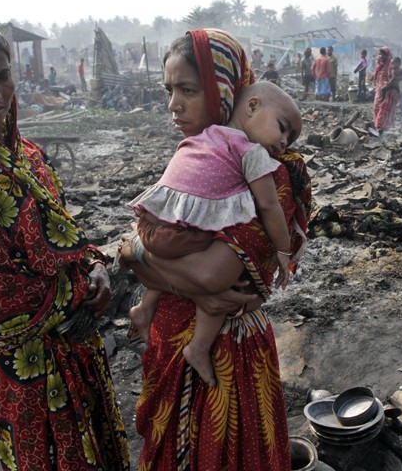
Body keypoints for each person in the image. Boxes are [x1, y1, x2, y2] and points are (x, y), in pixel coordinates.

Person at [0, 20, 130, 470]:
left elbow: (62, 234)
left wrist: (94, 265)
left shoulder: (18, 150)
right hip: (30, 356)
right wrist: (84, 291)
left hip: (66, 339)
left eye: (2, 75)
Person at [119, 28, 310, 470]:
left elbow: (208, 275)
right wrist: (142, 255)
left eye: (189, 90)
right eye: (169, 90)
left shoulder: (269, 176)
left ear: (228, 92)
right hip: (172, 333)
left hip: (223, 352)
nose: (174, 105)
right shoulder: (200, 156)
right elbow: (143, 249)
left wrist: (140, 256)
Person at [125, 80, 301, 386]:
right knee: (201, 243)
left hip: (152, 230)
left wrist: (139, 249)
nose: (285, 142)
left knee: (188, 243)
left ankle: (145, 307)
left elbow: (134, 256)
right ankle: (199, 348)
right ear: (252, 105)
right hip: (204, 345)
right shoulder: (250, 154)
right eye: (283, 128)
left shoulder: (207, 141)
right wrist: (284, 251)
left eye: (190, 90)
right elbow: (212, 285)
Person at [373, 48, 402, 133]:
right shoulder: (380, 67)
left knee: (384, 111)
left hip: (390, 92)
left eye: (382, 54)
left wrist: (395, 80)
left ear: (387, 56)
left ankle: (382, 129)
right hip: (380, 93)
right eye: (379, 54)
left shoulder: (391, 67)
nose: (380, 56)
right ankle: (380, 128)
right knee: (377, 110)